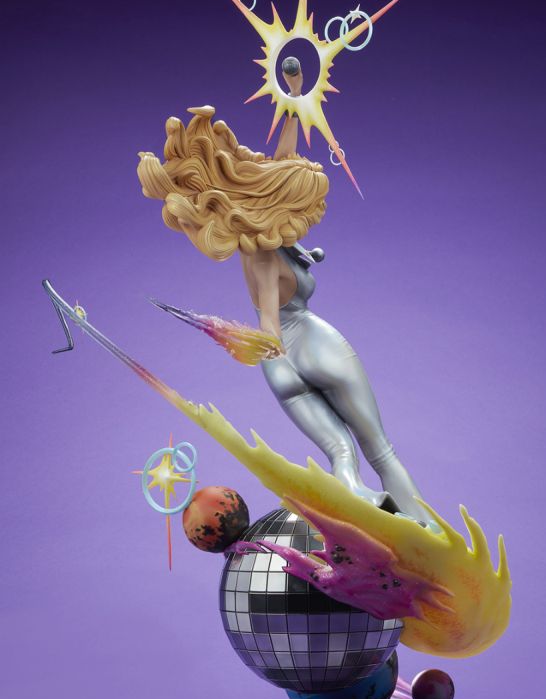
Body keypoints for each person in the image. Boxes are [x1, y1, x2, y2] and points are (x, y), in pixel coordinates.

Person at [137, 60, 433, 525]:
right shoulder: (266, 256)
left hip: (279, 371)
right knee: (381, 451)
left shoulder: (257, 239)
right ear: (283, 200)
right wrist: (264, 339)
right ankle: (425, 531)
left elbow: (283, 159)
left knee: (341, 452)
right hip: (312, 345)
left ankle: (365, 502)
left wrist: (294, 94)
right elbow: (272, 322)